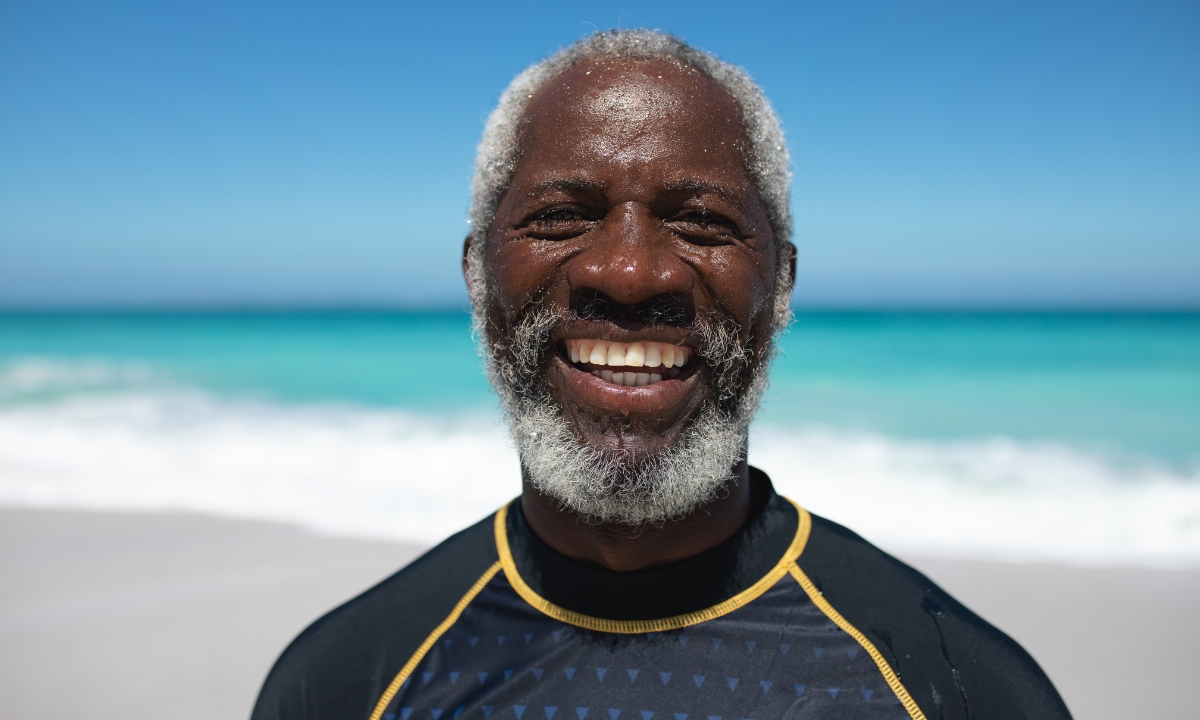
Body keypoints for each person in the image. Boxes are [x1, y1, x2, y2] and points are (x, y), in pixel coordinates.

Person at [252, 30, 1071, 720]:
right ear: (476, 275)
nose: (632, 272)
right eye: (561, 216)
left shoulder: (959, 691)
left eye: (702, 221)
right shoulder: (343, 685)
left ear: (781, 284)